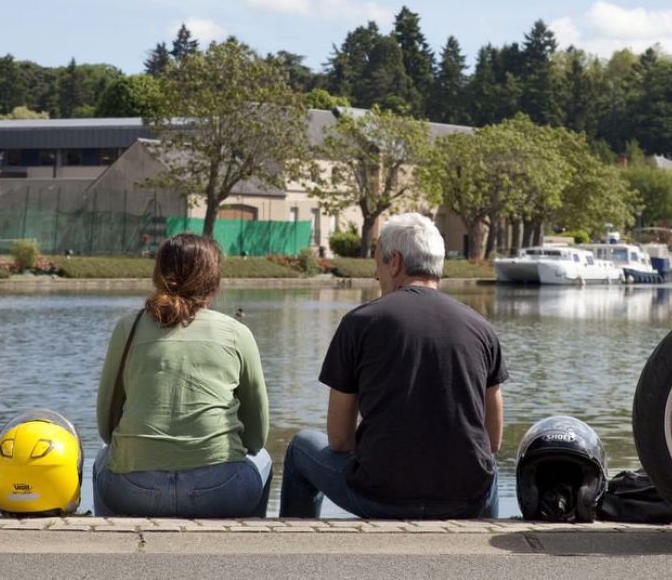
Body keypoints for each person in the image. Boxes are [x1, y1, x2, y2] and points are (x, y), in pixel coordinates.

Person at [279, 212, 506, 519]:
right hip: (464, 500)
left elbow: (339, 439)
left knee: (301, 447)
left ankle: (295, 545)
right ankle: (482, 544)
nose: (376, 275)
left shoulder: (359, 323)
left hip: (379, 497)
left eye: (377, 264)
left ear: (395, 262)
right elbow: (492, 440)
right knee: (486, 469)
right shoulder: (481, 328)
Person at [94, 233, 271, 517]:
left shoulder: (128, 328)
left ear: (159, 275)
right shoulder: (237, 333)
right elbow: (256, 437)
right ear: (214, 282)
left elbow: (106, 426)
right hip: (220, 490)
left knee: (103, 459)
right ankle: (248, 543)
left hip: (133, 490)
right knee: (263, 459)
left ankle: (111, 544)